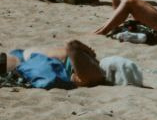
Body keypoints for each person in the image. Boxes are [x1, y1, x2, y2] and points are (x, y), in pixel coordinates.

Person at [0, 39, 130, 88]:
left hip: (27, 64)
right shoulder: (95, 68)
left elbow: (72, 45)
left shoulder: (94, 74)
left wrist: (87, 50)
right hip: (27, 60)